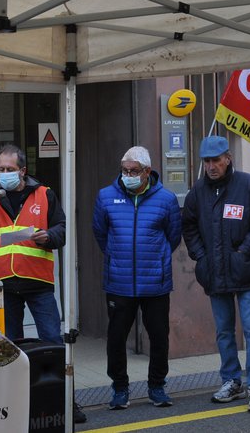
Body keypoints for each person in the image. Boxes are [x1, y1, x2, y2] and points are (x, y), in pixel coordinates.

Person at [0, 144, 86, 423]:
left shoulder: (45, 194)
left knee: (54, 344)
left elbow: (62, 228)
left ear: (23, 170)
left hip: (38, 282)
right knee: (8, 348)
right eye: (1, 169)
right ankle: (13, 406)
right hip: (3, 285)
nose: (5, 174)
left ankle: (67, 402)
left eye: (10, 169)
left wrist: (50, 236)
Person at [181, 136, 250, 413]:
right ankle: (231, 381)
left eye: (216, 160)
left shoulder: (249, 186)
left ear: (228, 159)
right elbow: (188, 226)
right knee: (224, 332)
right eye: (206, 161)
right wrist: (200, 256)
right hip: (215, 274)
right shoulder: (198, 192)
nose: (211, 166)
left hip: (246, 273)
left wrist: (244, 251)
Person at [92, 146, 182, 409]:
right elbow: (101, 233)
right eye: (124, 170)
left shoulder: (166, 199)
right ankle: (120, 388)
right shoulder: (106, 197)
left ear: (147, 172)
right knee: (117, 337)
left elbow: (173, 236)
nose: (127, 175)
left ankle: (157, 386)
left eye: (133, 171)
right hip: (119, 282)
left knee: (159, 336)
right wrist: (115, 257)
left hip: (155, 282)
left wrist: (156, 259)